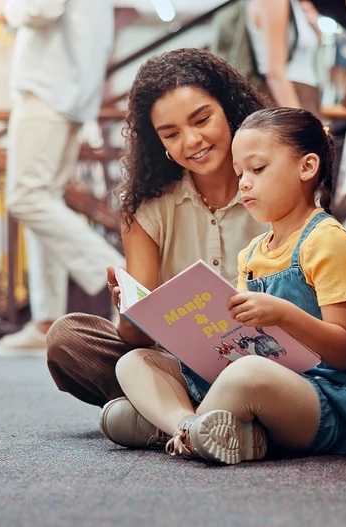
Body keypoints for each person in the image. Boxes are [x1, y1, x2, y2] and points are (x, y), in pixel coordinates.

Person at [105, 107, 346, 465]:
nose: (244, 182)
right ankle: (191, 428)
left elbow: (344, 352)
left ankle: (171, 429)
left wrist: (284, 315)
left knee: (247, 374)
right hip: (246, 379)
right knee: (134, 362)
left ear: (306, 167)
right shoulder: (252, 253)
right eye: (239, 173)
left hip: (319, 397)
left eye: (257, 169)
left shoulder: (327, 241)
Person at [45, 48, 270, 409]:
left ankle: (162, 414)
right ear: (158, 143)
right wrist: (130, 309)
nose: (192, 141)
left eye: (201, 120)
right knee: (68, 338)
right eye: (171, 134)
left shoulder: (275, 185)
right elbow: (135, 339)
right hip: (178, 366)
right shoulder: (146, 210)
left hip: (268, 362)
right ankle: (201, 411)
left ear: (230, 111)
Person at [0, 0, 126, 356]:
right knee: (43, 198)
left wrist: (1, 9)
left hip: (48, 87)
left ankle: (123, 275)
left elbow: (42, 8)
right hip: (69, 88)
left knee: (26, 197)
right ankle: (47, 321)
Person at [246, 0, 323, 117]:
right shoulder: (273, 2)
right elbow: (275, 73)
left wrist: (316, 28)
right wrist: (300, 120)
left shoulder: (298, 5)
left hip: (305, 94)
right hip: (288, 96)